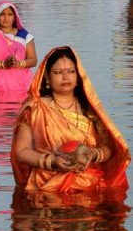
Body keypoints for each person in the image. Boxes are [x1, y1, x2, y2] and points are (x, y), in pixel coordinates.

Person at [11, 46, 130, 192]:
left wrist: (92, 155)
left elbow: (110, 147)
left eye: (71, 72)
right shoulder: (35, 108)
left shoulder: (90, 109)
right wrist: (52, 161)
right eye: (58, 72)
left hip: (90, 185)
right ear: (47, 76)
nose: (66, 77)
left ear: (78, 76)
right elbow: (22, 151)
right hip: (47, 187)